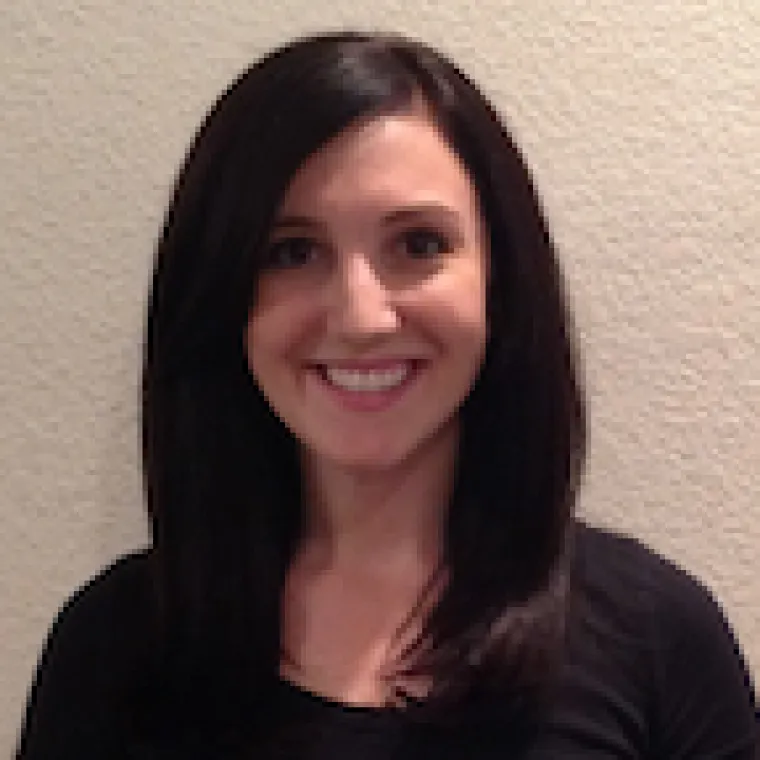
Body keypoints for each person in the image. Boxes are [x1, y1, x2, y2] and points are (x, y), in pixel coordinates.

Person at [16, 30, 757, 759]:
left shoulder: (659, 639)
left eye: (419, 244)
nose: (361, 317)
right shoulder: (112, 645)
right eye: (292, 252)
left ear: (500, 280)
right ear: (222, 295)